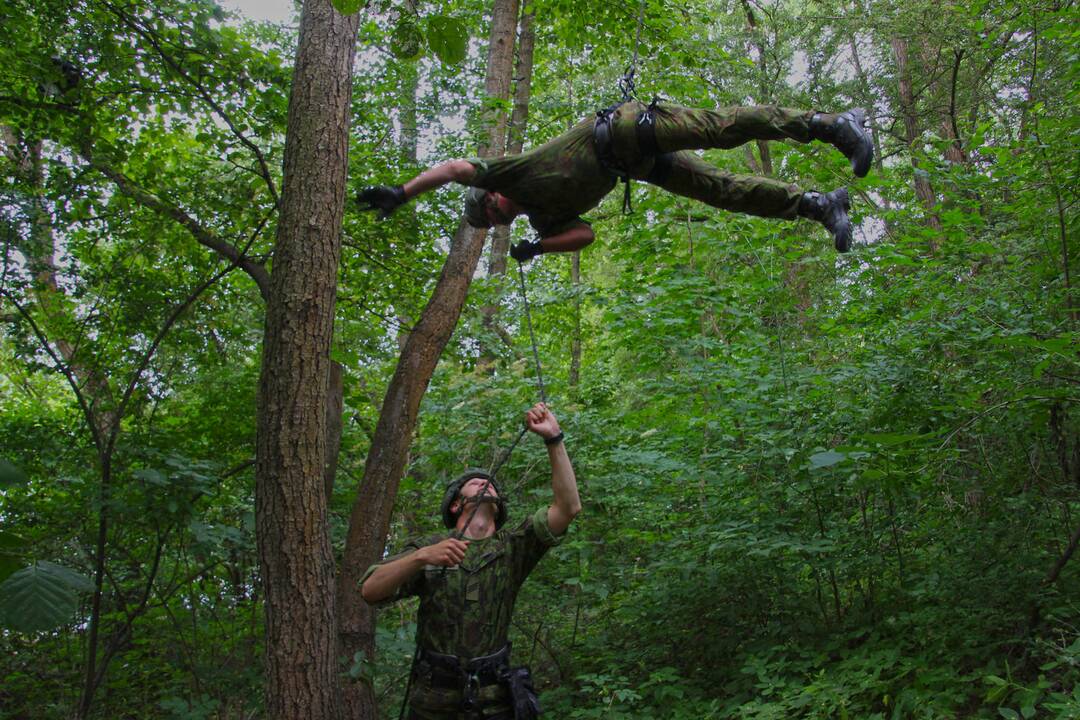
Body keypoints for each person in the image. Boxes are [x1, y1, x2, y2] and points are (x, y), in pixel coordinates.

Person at [357, 101, 873, 255]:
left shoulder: (510, 174)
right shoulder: (544, 217)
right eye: (493, 224)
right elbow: (585, 235)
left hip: (625, 130)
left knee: (721, 130)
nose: (498, 219)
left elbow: (450, 169)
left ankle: (830, 126)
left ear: (491, 195)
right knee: (721, 191)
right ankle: (818, 205)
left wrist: (402, 193)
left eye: (490, 213)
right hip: (635, 165)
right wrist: (539, 249)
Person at [359, 402, 580, 720]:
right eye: (474, 482)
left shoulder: (513, 547)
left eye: (489, 483)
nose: (485, 482)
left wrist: (554, 438)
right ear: (455, 504)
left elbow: (568, 507)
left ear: (499, 505)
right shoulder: (429, 548)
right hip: (432, 703)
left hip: (495, 703)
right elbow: (369, 589)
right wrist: (421, 558)